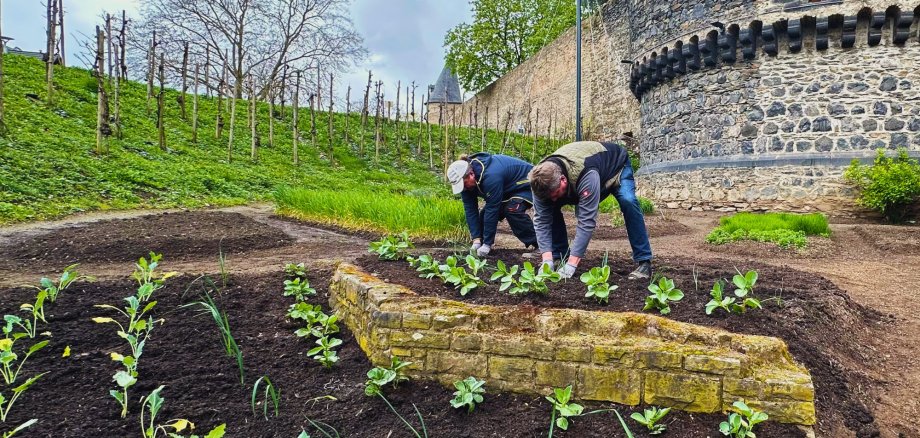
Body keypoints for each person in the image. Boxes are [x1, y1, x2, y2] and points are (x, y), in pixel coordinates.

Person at [528, 140, 653, 280]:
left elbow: (586, 221)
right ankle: (558, 257)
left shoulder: (586, 174)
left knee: (628, 201)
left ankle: (644, 261)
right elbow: (541, 220)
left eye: (556, 193)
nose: (554, 198)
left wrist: (572, 265)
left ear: (563, 180)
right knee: (550, 205)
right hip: (591, 172)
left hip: (615, 167)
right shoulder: (540, 181)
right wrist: (546, 260)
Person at [447, 153, 538, 256]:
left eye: (463, 184)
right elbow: (470, 210)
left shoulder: (491, 176)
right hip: (506, 189)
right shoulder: (466, 185)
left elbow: (492, 210)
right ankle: (480, 246)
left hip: (526, 184)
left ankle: (541, 247)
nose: (463, 188)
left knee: (512, 210)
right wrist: (476, 240)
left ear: (471, 174)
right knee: (483, 216)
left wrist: (487, 244)